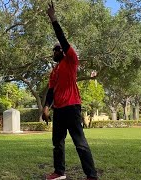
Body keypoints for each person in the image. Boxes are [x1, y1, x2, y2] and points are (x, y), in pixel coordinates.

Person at [43, 1, 98, 179]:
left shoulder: (71, 60)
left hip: (72, 107)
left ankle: (91, 175)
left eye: (58, 49)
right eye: (54, 50)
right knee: (57, 143)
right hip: (58, 110)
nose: (55, 51)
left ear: (64, 51)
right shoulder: (54, 71)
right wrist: (46, 107)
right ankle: (59, 172)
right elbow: (51, 91)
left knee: (80, 143)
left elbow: (62, 39)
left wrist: (54, 19)